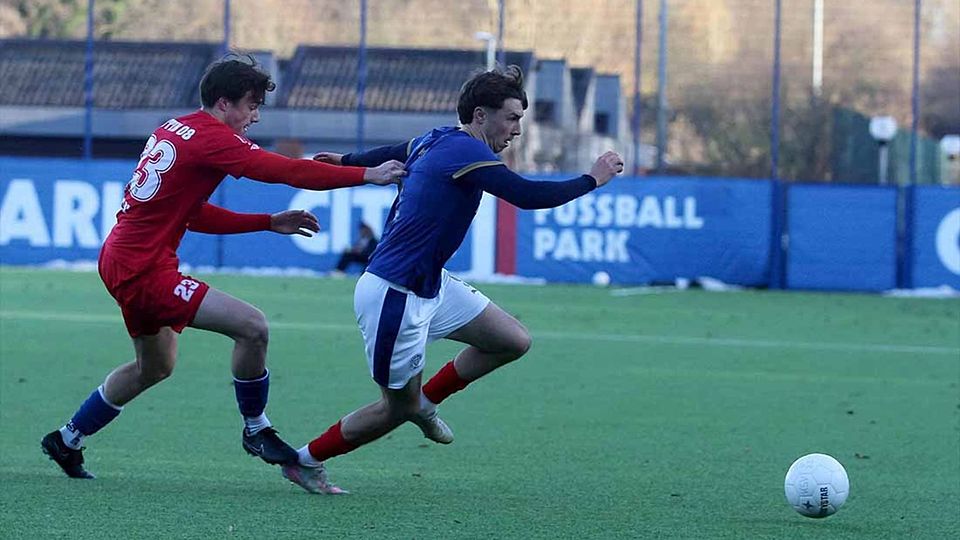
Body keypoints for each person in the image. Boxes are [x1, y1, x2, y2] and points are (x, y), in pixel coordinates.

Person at [40, 53, 405, 479]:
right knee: (252, 327)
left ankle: (67, 439)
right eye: (251, 105)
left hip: (124, 257)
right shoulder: (211, 137)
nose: (254, 117)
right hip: (143, 268)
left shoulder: (177, 128)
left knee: (154, 367)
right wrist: (366, 174)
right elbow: (283, 171)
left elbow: (192, 213)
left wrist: (267, 223)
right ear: (224, 103)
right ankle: (256, 428)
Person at [281, 65, 624, 494]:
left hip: (429, 284)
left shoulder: (437, 138)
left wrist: (347, 160)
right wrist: (593, 178)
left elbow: (396, 149)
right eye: (512, 118)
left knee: (512, 340)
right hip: (394, 295)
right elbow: (528, 196)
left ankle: (426, 401)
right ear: (481, 115)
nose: (517, 129)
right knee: (395, 409)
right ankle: (305, 460)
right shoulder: (465, 153)